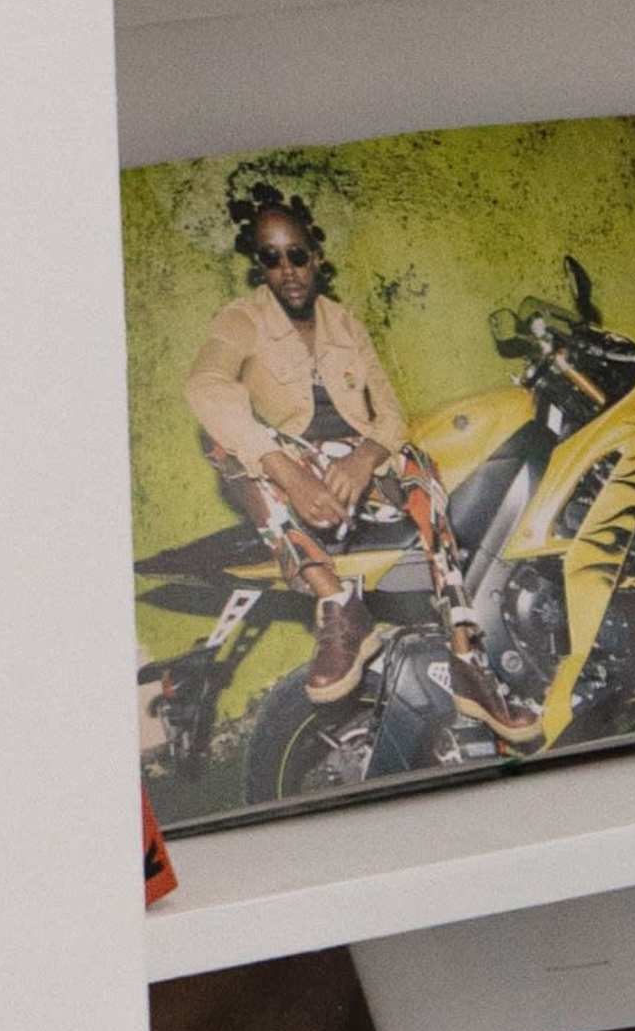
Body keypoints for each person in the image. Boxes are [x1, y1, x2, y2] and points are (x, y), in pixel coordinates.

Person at [176, 166, 535, 740]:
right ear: (259, 266)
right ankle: (336, 602)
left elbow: (391, 414)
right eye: (272, 259)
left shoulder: (346, 323)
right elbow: (206, 387)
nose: (288, 271)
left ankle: (469, 657)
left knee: (418, 458)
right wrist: (289, 473)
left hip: (367, 472)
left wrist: (364, 459)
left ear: (317, 256)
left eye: (297, 254)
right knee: (223, 440)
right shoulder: (241, 321)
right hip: (300, 469)